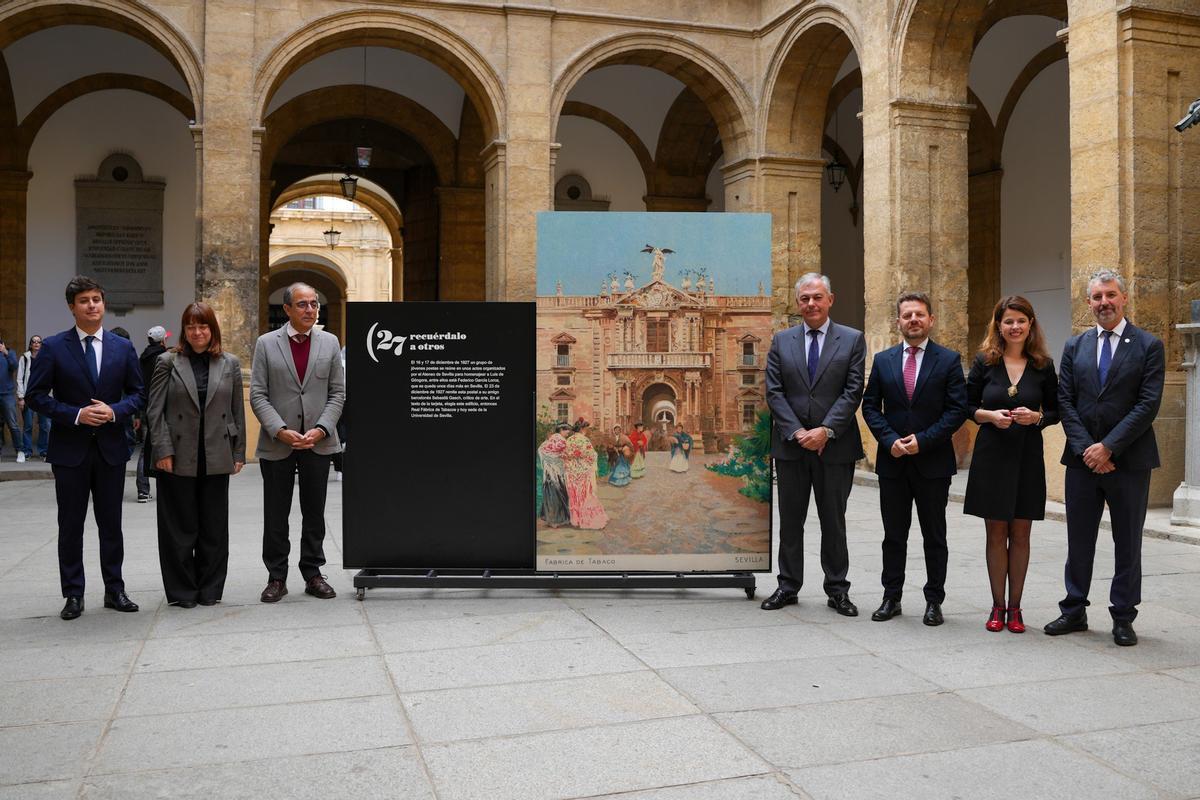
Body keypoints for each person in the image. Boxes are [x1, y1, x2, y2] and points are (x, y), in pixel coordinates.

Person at [1045, 269, 1164, 647]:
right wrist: (1088, 449)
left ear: (1123, 298)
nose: (1104, 303)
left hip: (1129, 461)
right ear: (1089, 302)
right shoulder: (1074, 347)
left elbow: (1147, 404)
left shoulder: (1148, 345)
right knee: (1079, 539)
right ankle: (1074, 609)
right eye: (1097, 297)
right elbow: (1065, 400)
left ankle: (1123, 616)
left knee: (1127, 541)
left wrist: (1109, 447)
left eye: (1110, 295)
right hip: (1083, 462)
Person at [25, 276, 144, 620]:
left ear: (103, 304)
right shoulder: (53, 346)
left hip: (110, 449)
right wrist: (75, 414)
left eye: (96, 299)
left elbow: (138, 394)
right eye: (84, 301)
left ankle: (115, 589)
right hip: (69, 451)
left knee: (111, 524)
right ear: (72, 308)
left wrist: (114, 411)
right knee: (71, 525)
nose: (92, 305)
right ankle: (73, 593)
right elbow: (35, 396)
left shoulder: (122, 347)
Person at [862, 292, 967, 626]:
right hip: (893, 462)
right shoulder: (883, 360)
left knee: (934, 536)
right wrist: (890, 439)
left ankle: (934, 600)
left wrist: (923, 441)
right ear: (898, 322)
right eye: (907, 315)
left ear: (930, 320)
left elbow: (956, 411)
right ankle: (891, 597)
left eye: (919, 314)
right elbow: (869, 406)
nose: (913, 320)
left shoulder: (949, 360)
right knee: (894, 535)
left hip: (932, 462)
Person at [762, 272, 865, 616]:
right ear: (797, 303)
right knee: (791, 521)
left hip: (835, 448)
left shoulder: (852, 340)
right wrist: (796, 432)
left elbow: (853, 392)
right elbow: (774, 392)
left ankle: (837, 590)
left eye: (817, 297)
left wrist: (825, 430)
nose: (811, 304)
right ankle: (788, 586)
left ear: (830, 300)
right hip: (791, 448)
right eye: (805, 298)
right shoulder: (781, 341)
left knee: (833, 521)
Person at [964, 296, 1060, 633]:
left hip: (1027, 455)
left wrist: (1036, 417)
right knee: (996, 532)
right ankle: (997, 606)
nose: (1015, 326)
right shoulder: (984, 362)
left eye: (1021, 320)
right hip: (992, 455)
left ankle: (1016, 609)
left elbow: (1056, 410)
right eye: (1008, 321)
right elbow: (965, 404)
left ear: (1030, 324)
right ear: (999, 325)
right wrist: (988, 416)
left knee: (1021, 532)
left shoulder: (1043, 365)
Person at [250, 282, 345, 603]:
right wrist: (279, 429)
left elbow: (338, 393)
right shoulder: (266, 344)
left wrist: (322, 428)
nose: (310, 310)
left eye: (314, 304)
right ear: (287, 309)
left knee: (314, 513)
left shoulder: (330, 343)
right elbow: (258, 393)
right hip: (278, 443)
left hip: (318, 443)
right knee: (276, 514)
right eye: (302, 305)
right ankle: (276, 577)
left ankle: (313, 573)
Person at [148, 303, 246, 608]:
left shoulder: (229, 363)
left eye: (203, 326)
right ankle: (182, 592)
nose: (197, 332)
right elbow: (155, 411)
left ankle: (210, 589)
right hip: (177, 454)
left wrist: (238, 451)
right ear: (183, 330)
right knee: (179, 528)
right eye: (191, 326)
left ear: (212, 329)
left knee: (214, 528)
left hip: (216, 452)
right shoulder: (167, 361)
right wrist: (162, 449)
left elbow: (236, 412)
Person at [136, 325, 170, 502]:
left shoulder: (143, 358)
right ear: (163, 339)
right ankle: (165, 489)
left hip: (145, 406)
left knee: (145, 448)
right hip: (161, 407)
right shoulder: (164, 358)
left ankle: (143, 490)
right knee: (163, 446)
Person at [562, 418, 608, 529]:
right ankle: (587, 520)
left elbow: (564, 456)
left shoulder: (569, 440)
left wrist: (572, 464)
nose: (586, 430)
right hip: (583, 473)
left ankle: (576, 520)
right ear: (582, 429)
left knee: (575, 496)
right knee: (585, 495)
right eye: (585, 428)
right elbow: (591, 456)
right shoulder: (584, 440)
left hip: (572, 473)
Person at [16, 335, 50, 462]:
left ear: (41, 345)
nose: (36, 343)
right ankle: (27, 451)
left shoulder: (46, 358)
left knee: (45, 425)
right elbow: (19, 378)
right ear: (30, 344)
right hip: (28, 397)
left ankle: (44, 451)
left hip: (42, 397)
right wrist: (21, 397)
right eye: (33, 341)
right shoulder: (24, 358)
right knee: (28, 426)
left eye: (38, 342)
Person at [538, 423, 571, 527]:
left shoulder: (550, 439)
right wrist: (557, 460)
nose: (568, 433)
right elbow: (565, 455)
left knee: (551, 494)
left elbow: (541, 450)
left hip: (549, 473)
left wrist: (548, 462)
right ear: (561, 429)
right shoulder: (560, 440)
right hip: (556, 473)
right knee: (559, 494)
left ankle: (551, 519)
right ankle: (557, 520)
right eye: (567, 430)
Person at [0, 333, 19, 461]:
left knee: (13, 424)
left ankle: (20, 450)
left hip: (7, 394)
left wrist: (5, 352)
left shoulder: (10, 353)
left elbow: (14, 366)